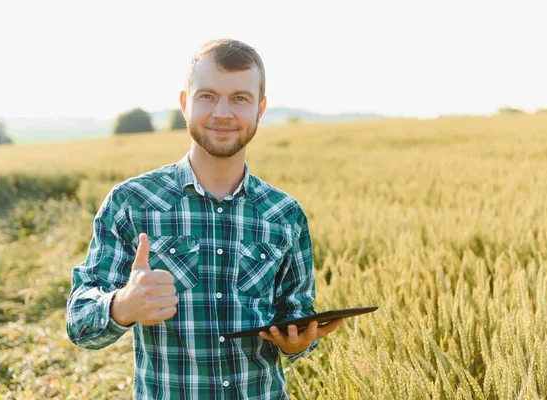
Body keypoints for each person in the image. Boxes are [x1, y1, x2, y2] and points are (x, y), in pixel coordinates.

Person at [66, 38, 343, 399]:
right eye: (208, 96)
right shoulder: (132, 203)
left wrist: (296, 344)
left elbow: (297, 314)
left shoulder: (284, 214)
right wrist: (123, 306)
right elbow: (79, 322)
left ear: (260, 108)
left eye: (240, 98)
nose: (223, 112)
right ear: (185, 103)